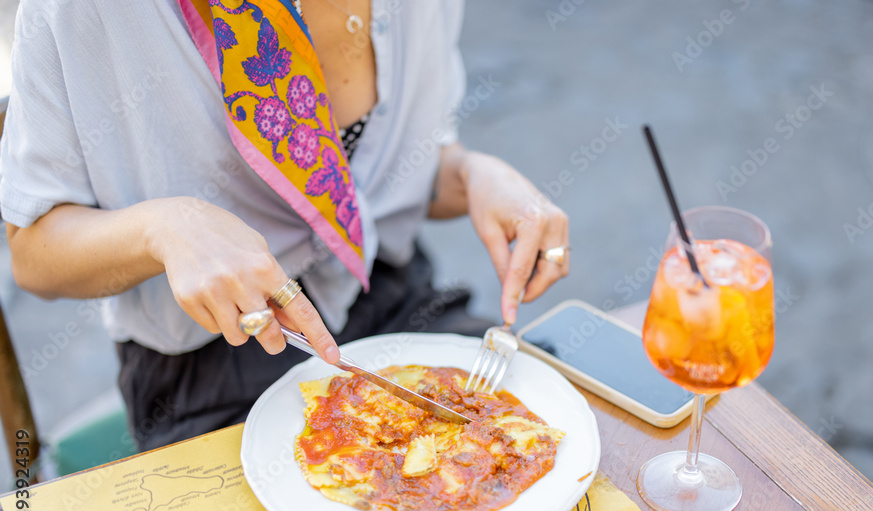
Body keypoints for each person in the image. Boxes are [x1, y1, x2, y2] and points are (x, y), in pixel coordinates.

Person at [0, 0, 569, 450]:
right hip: (214, 360)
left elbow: (364, 178)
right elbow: (33, 249)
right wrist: (166, 228)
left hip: (392, 299)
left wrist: (470, 173)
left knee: (548, 439)